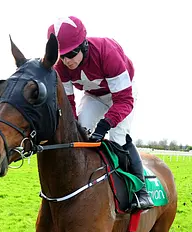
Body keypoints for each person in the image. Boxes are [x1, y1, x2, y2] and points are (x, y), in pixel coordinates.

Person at [47, 16, 154, 210]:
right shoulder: (60, 67)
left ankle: (141, 190)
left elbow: (124, 100)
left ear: (84, 44)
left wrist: (105, 124)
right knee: (81, 131)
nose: (67, 61)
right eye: (62, 56)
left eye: (71, 54)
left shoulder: (107, 52)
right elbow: (69, 105)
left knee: (118, 137)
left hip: (122, 95)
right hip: (94, 96)